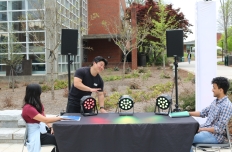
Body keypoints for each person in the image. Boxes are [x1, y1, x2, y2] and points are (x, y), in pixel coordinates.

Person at [189, 77, 232, 152]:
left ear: (221, 90)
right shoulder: (216, 102)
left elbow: (219, 129)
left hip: (215, 136)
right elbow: (203, 113)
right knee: (183, 134)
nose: (212, 90)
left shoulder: (226, 106)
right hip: (205, 131)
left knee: (186, 139)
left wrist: (201, 129)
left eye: (214, 88)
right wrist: (187, 113)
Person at [22, 84, 63, 152]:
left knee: (61, 134)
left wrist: (51, 127)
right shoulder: (28, 108)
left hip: (41, 130)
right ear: (36, 94)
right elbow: (45, 119)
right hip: (36, 134)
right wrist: (60, 118)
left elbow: (44, 118)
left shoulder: (38, 104)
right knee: (60, 140)